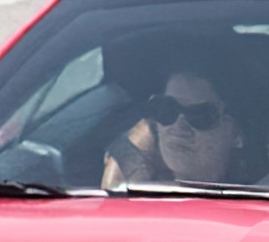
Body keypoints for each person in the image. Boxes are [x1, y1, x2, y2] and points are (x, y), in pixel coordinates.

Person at [103, 68, 258, 188]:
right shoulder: (125, 205)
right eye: (167, 110)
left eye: (200, 114)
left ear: (237, 133)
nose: (179, 125)